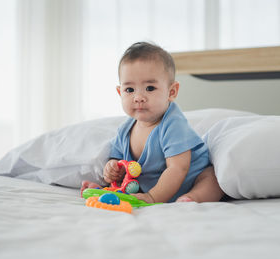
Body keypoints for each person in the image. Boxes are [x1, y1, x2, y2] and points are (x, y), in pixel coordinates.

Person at [81, 42, 224, 203]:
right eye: (129, 90)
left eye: (150, 88)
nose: (138, 97)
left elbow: (178, 168)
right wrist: (112, 169)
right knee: (128, 183)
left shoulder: (173, 124)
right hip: (152, 186)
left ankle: (192, 198)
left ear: (171, 92)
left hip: (190, 181)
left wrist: (153, 197)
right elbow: (117, 160)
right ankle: (105, 192)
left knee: (213, 179)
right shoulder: (124, 131)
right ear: (120, 92)